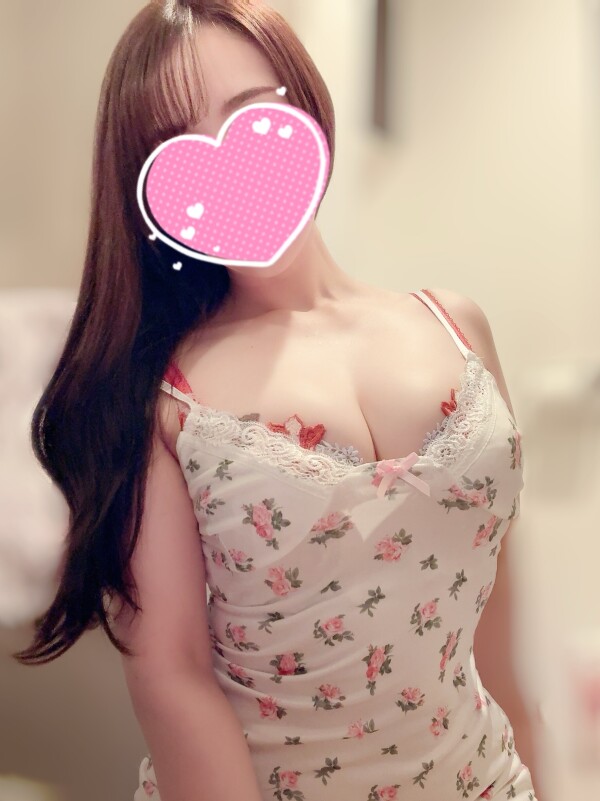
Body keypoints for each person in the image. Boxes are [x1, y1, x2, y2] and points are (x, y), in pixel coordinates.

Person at [13, 1, 542, 800]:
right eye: (178, 148)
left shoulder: (455, 324)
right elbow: (173, 675)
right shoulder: (163, 397)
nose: (231, 165)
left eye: (253, 114)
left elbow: (496, 598)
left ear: (308, 106)